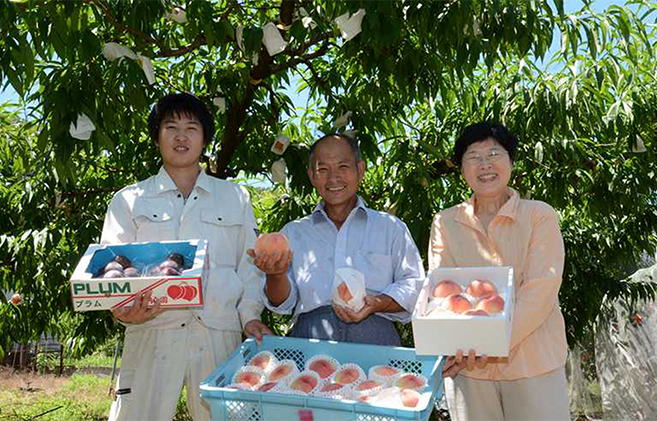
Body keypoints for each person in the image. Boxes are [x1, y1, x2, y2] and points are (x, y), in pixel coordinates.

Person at [101, 92, 272, 421]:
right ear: (156, 137)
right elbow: (112, 271)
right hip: (151, 328)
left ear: (205, 138)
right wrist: (123, 312)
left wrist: (249, 315)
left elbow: (249, 268)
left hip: (218, 332)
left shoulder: (235, 197)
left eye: (192, 128)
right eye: (171, 127)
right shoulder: (129, 201)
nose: (181, 136)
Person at [429, 122, 570, 421]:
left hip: (534, 364)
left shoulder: (538, 215)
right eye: (473, 156)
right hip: (471, 371)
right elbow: (443, 293)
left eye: (494, 153)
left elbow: (541, 290)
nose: (485, 165)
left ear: (511, 161)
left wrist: (487, 343)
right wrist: (463, 345)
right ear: (461, 167)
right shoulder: (446, 222)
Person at [251, 133, 425, 346]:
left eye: (343, 167)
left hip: (376, 338)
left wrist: (377, 303)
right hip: (309, 341)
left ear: (360, 170)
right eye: (323, 169)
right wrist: (275, 274)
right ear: (312, 176)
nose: (333, 178)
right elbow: (281, 304)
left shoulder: (390, 228)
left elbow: (415, 285)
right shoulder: (293, 232)